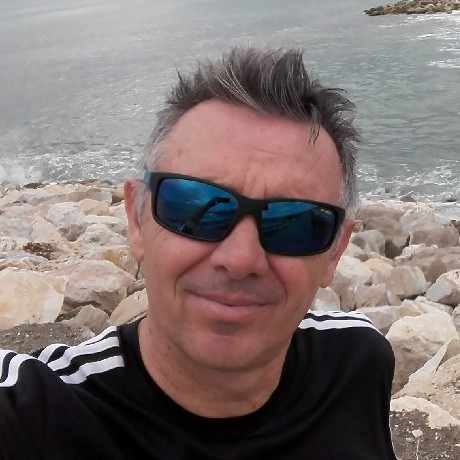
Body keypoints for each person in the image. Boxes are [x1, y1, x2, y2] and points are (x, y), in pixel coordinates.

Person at [0, 47, 397, 459]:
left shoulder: (356, 362)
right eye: (196, 207)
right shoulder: (34, 415)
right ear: (137, 219)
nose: (240, 260)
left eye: (295, 223)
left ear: (334, 253)